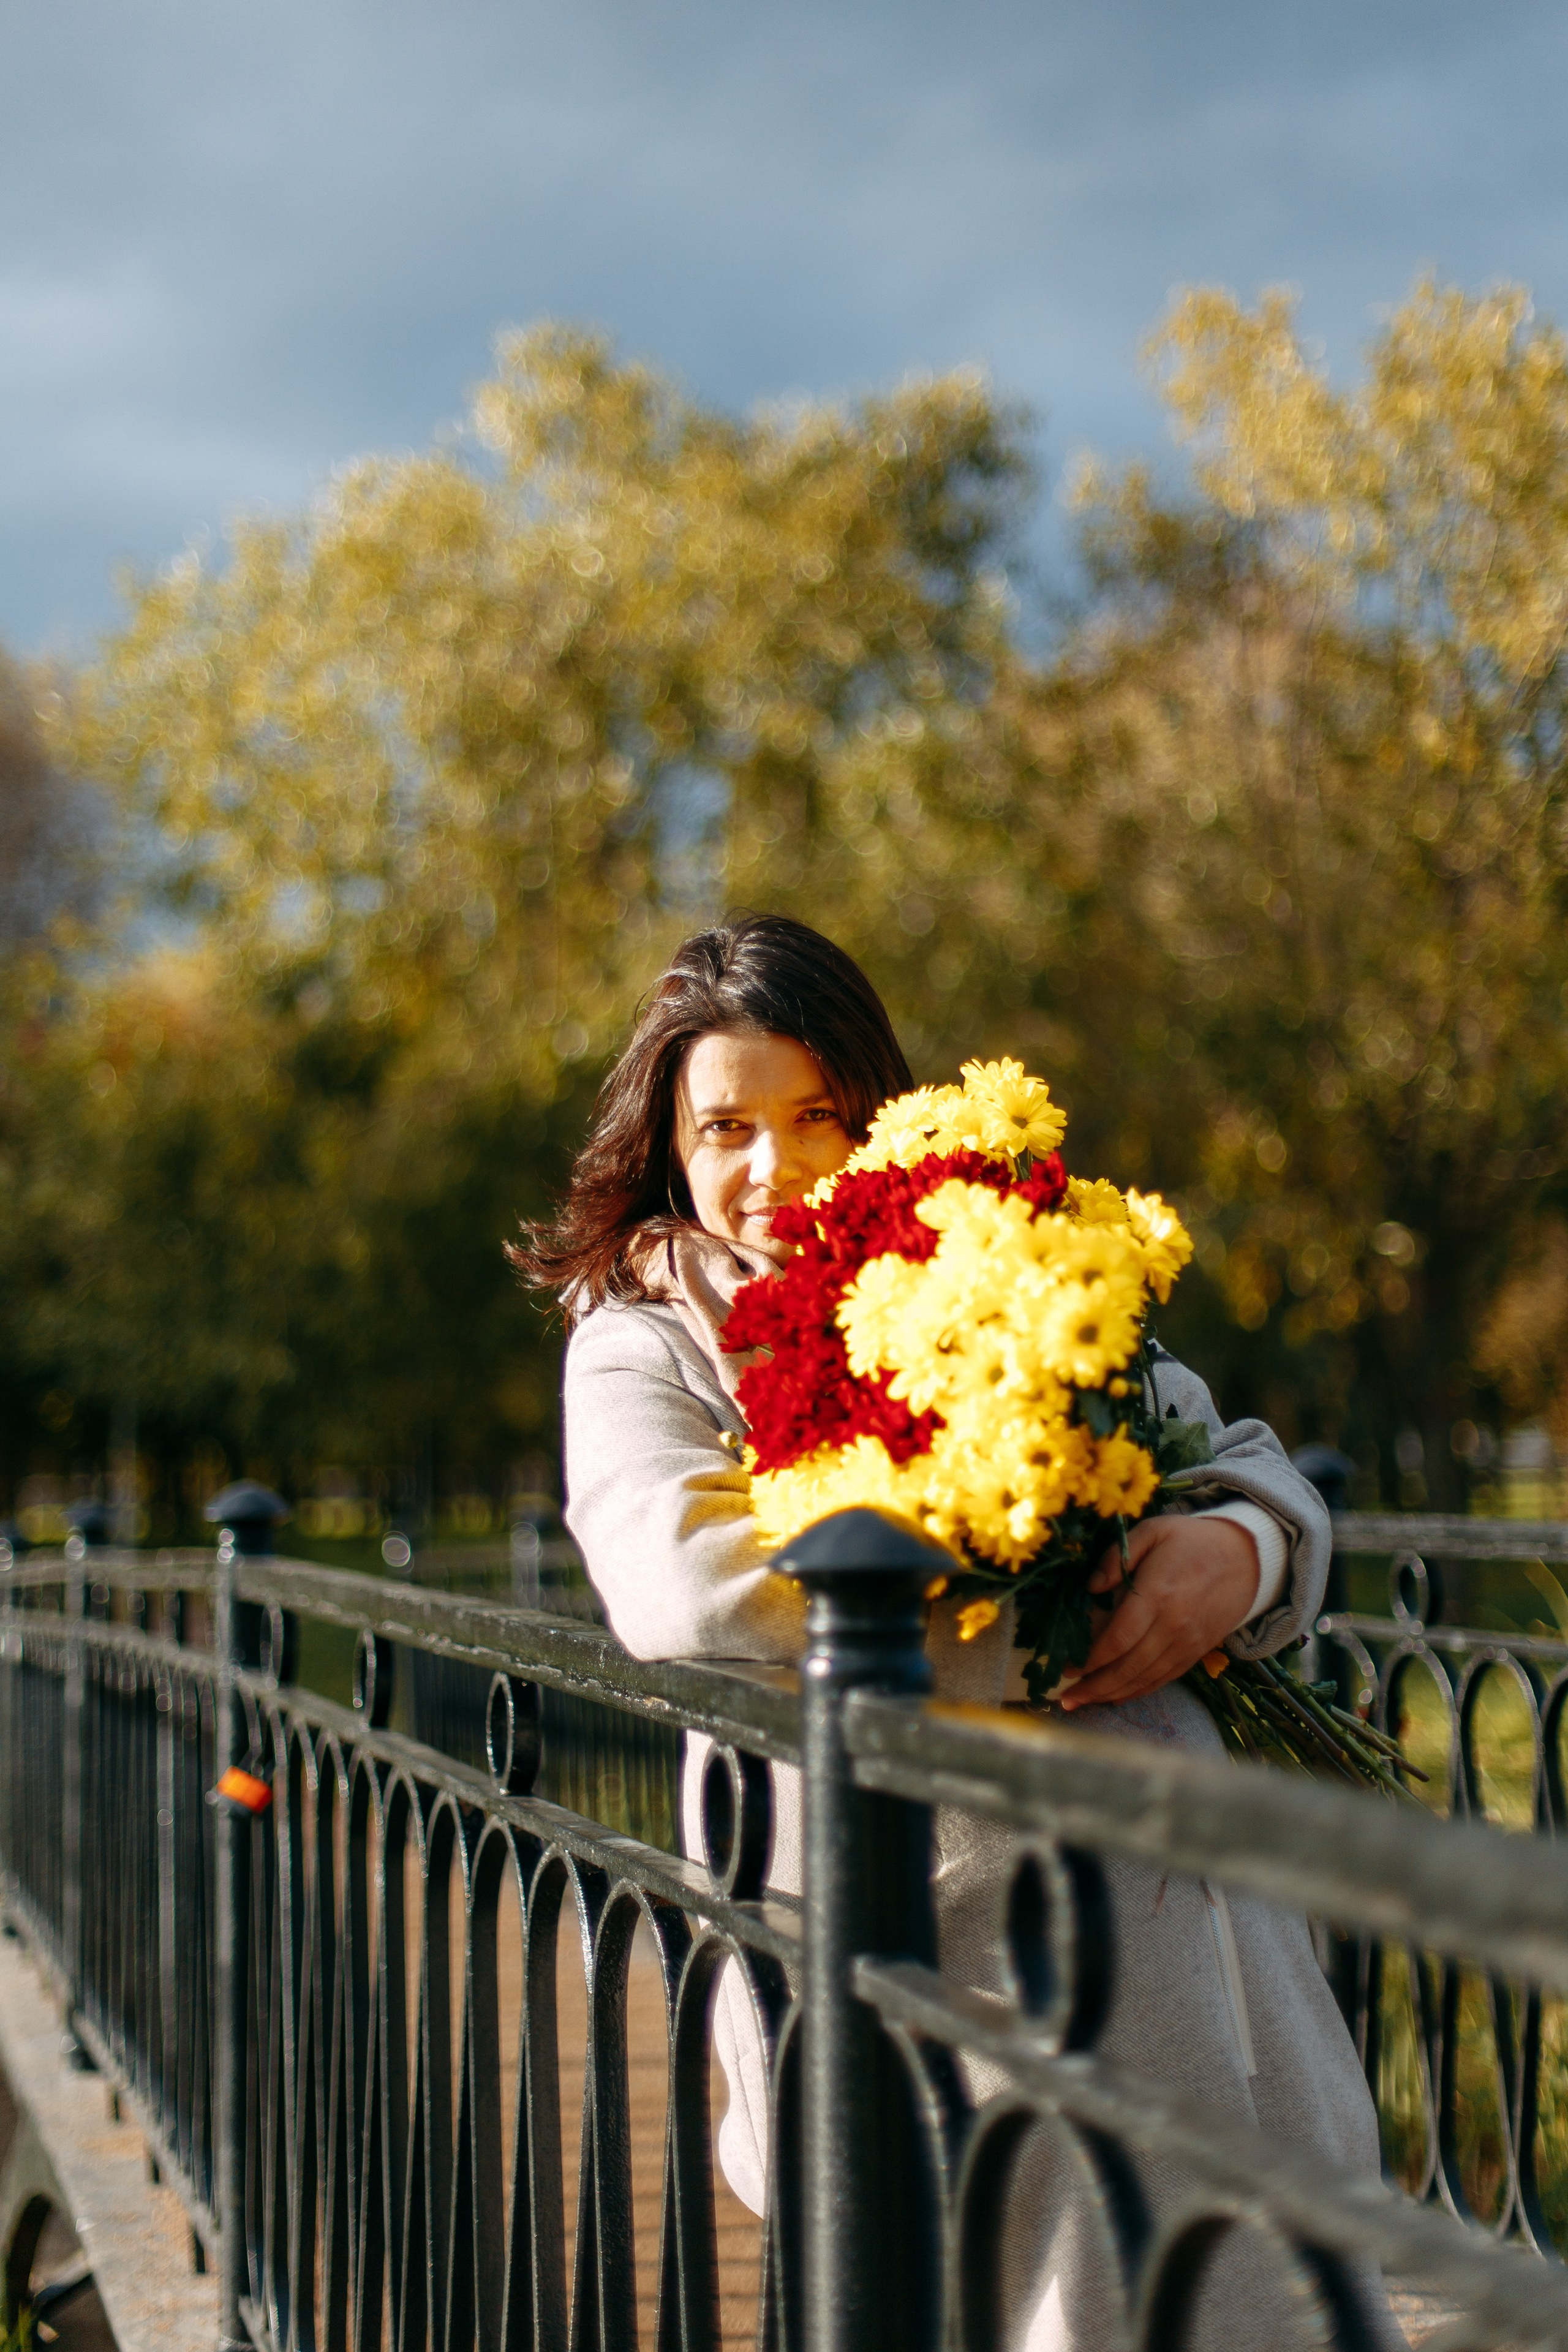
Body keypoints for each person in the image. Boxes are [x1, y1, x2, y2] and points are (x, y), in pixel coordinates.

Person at [514, 914, 1397, 2351]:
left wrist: (1232, 1555)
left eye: (817, 1118)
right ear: (669, 1143)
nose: (773, 1170)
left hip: (1184, 1900)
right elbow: (681, 1580)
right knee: (1042, 2281)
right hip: (910, 1915)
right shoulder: (644, 1337)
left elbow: (1230, 1448)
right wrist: (1054, 1642)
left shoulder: (985, 1247)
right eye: (725, 1126)